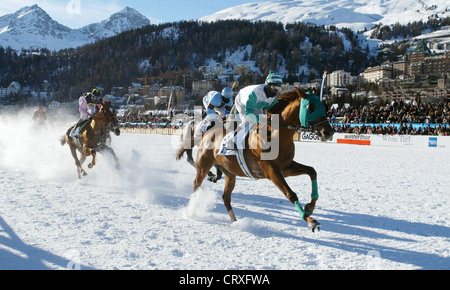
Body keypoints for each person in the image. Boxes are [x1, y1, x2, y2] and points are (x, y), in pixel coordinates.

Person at [225, 70, 283, 149]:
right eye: (274, 88)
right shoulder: (255, 93)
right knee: (248, 121)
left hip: (257, 105)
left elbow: (271, 109)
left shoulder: (274, 96)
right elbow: (248, 113)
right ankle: (232, 140)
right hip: (242, 104)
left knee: (261, 120)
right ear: (268, 85)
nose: (276, 91)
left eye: (279, 89)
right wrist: (262, 119)